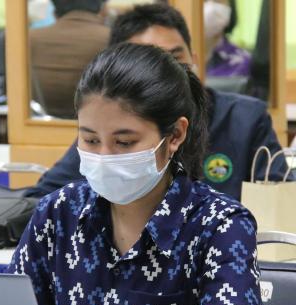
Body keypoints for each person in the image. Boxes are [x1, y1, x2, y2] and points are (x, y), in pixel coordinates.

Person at [9, 42, 269, 305]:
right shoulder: (57, 214)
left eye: (124, 142)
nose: (104, 156)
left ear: (175, 135)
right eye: (90, 140)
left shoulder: (220, 224)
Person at [26, 3, 292, 201]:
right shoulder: (110, 133)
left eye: (175, 59)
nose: (169, 75)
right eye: (150, 64)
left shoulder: (245, 119)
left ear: (194, 60)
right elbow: (40, 199)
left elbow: (284, 199)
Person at [30, 0, 110, 119]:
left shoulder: (30, 38)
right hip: (96, 124)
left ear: (54, 12)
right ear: (102, 10)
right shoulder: (111, 38)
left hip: (35, 123)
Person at [204, 0, 251, 78]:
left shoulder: (244, 62)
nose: (210, 7)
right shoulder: (182, 59)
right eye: (204, 1)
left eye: (217, 0)